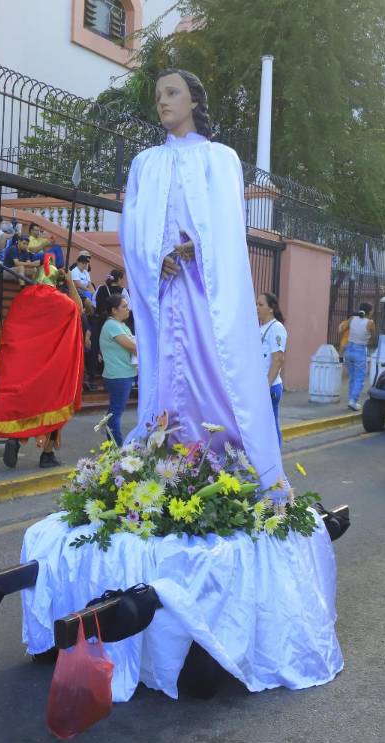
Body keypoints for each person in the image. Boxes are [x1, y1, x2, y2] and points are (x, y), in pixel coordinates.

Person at [119, 68, 284, 491]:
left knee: (213, 367)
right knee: (165, 367)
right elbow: (132, 229)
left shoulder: (220, 158)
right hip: (166, 291)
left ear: (194, 100)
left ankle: (223, 460)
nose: (163, 102)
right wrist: (155, 259)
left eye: (172, 93)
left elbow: (228, 227)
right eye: (158, 95)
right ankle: (162, 458)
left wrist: (203, 247)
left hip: (203, 291)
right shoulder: (145, 163)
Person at [0, 267, 84, 469]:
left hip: (26, 362)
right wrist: (70, 282)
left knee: (28, 405)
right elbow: (79, 309)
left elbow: (13, 329)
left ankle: (16, 439)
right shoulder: (61, 301)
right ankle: (47, 453)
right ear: (56, 280)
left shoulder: (23, 297)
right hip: (52, 363)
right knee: (53, 406)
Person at [98, 294, 137, 446]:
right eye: (124, 306)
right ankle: (116, 445)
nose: (128, 309)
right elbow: (133, 346)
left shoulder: (121, 325)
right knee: (116, 411)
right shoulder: (112, 325)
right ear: (114, 310)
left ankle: (111, 437)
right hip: (118, 375)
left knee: (115, 409)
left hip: (124, 373)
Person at [257, 293, 287, 445]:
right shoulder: (262, 327)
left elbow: (278, 359)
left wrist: (266, 385)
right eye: (257, 304)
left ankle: (276, 463)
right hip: (260, 386)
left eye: (261, 305)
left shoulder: (276, 328)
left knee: (271, 428)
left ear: (271, 308)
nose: (257, 308)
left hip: (270, 387)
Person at [338, 303, 376, 411]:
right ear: (369, 312)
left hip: (349, 349)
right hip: (360, 350)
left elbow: (342, 329)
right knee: (359, 378)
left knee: (353, 377)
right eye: (372, 311)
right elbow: (373, 337)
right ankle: (353, 401)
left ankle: (351, 400)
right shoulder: (370, 323)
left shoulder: (352, 319)